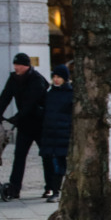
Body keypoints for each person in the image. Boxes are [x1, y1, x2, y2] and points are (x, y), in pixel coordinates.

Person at [0, 53, 48, 199]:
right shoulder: (13, 79)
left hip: (40, 123)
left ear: (26, 66)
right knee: (19, 156)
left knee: (46, 155)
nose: (16, 67)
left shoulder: (37, 80)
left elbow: (31, 102)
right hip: (25, 124)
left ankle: (50, 187)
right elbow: (5, 96)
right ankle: (15, 188)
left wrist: (17, 117)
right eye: (15, 65)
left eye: (19, 65)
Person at [40, 64, 72, 203]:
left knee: (60, 163)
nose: (56, 79)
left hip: (63, 133)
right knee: (49, 162)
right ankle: (52, 189)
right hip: (50, 133)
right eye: (54, 76)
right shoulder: (50, 94)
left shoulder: (71, 94)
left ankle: (57, 191)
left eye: (59, 77)